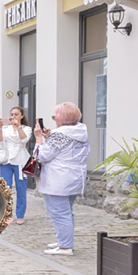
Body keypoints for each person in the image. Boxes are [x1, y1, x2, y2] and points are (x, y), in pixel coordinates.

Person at [35, 102, 90, 256]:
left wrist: (39, 139)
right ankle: (64, 241)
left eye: (55, 116)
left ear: (63, 118)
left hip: (58, 179)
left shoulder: (59, 134)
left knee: (59, 213)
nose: (53, 118)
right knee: (67, 212)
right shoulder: (80, 131)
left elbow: (42, 155)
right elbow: (65, 149)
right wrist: (49, 137)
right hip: (75, 176)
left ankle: (65, 246)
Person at [0, 106, 33, 224]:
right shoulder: (6, 128)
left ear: (22, 116)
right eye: (12, 114)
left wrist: (18, 126)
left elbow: (24, 140)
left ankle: (20, 215)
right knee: (5, 188)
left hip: (20, 160)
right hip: (6, 160)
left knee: (21, 188)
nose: (13, 116)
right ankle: (6, 214)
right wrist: (0, 128)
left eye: (16, 114)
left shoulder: (27, 128)